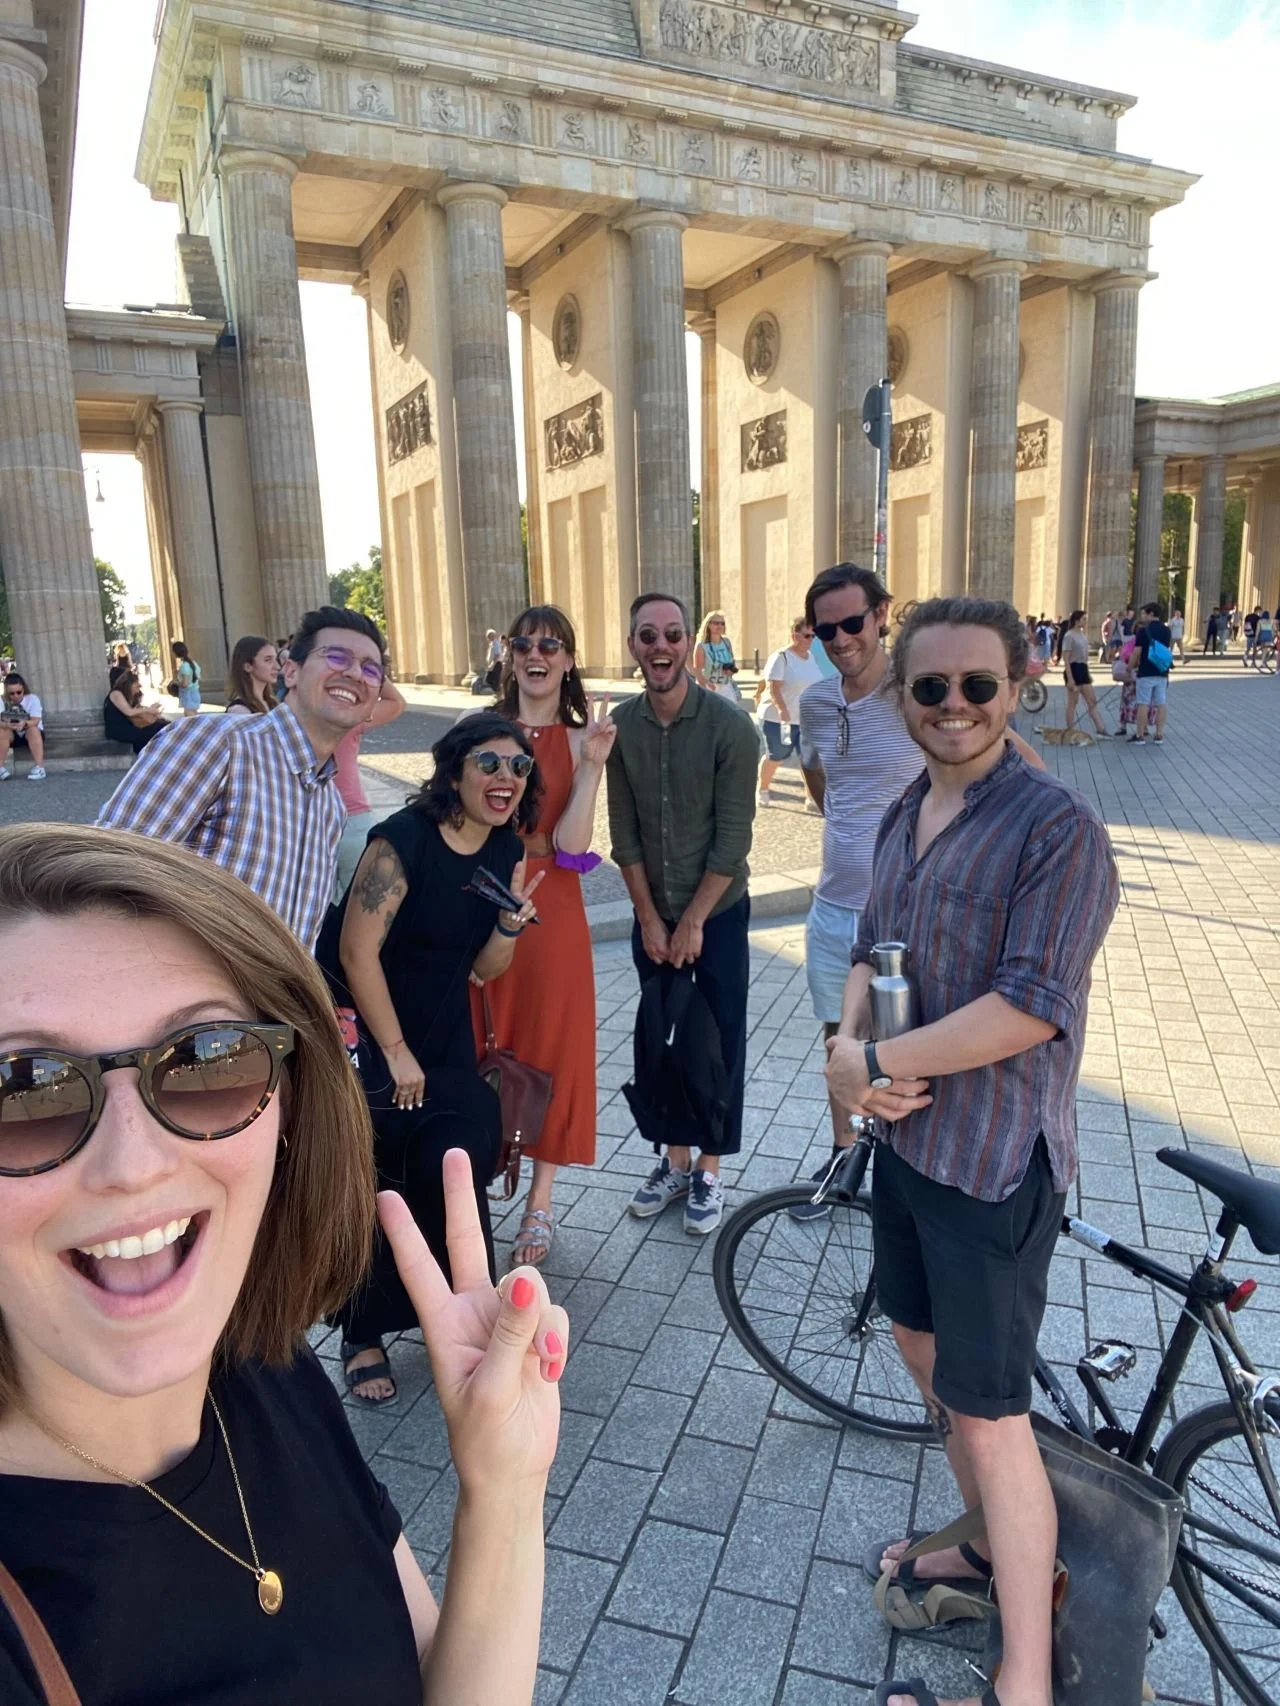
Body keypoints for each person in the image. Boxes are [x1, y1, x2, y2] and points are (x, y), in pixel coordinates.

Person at [0, 821, 564, 1706]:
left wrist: (504, 1490)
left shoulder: (268, 1371)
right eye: (22, 1088)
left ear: (290, 1109)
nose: (134, 1165)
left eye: (207, 1059)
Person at [824, 597, 1119, 1706]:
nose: (953, 707)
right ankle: (998, 1554)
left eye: (976, 686)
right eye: (930, 687)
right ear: (901, 694)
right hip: (908, 1146)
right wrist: (846, 1046)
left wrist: (877, 1053)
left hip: (992, 1161)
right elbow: (865, 941)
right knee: (919, 1348)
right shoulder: (910, 805)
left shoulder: (1053, 827)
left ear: (1019, 681)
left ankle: (1023, 1680)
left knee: (993, 1418)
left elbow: (1032, 1007)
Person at [330, 714, 545, 1404]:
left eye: (519, 767)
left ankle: (459, 1312)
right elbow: (355, 953)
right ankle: (361, 1331)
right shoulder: (402, 842)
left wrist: (510, 925)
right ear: (455, 770)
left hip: (443, 1028)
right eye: (490, 762)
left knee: (453, 1160)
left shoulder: (504, 848)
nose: (506, 778)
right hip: (368, 1026)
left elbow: (484, 969)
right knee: (376, 1170)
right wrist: (393, 1053)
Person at [98, 607, 385, 951]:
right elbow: (108, 883)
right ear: (291, 672)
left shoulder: (331, 807)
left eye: (371, 669)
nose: (355, 673)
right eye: (337, 657)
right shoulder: (215, 743)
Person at [608, 593, 759, 1235]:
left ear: (686, 644)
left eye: (672, 633)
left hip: (717, 913)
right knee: (661, 1042)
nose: (660, 646)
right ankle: (672, 1161)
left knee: (718, 1041)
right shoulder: (621, 727)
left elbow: (734, 836)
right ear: (634, 645)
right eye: (648, 635)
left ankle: (711, 1169)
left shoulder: (730, 728)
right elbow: (624, 834)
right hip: (654, 915)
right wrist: (648, 918)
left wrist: (694, 919)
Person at [486, 606, 615, 1270]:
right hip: (485, 891)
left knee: (553, 1043)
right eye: (525, 642)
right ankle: (479, 1166)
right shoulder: (479, 729)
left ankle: (540, 1198)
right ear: (509, 655)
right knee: (486, 1036)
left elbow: (571, 844)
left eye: (551, 644)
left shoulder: (575, 739)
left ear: (567, 661)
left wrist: (591, 764)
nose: (536, 653)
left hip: (553, 905)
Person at [797, 566, 923, 1167]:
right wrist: (848, 831)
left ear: (881, 614)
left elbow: (1003, 759)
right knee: (837, 1041)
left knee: (904, 1046)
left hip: (904, 915)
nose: (842, 639)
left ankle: (903, 1163)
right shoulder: (817, 700)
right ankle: (845, 1154)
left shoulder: (917, 690)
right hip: (831, 908)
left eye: (853, 622)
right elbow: (817, 770)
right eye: (827, 630)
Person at [331, 675, 408, 896]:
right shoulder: (347, 715)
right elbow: (396, 703)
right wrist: (371, 671)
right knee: (357, 901)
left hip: (341, 818)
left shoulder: (289, 713)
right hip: (351, 817)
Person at [757, 617, 822, 805]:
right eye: (807, 635)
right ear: (795, 635)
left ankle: (810, 795)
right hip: (778, 718)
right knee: (776, 755)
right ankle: (763, 789)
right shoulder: (781, 657)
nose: (811, 640)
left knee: (808, 758)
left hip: (804, 719)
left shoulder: (811, 658)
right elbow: (773, 687)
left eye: (813, 636)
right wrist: (782, 709)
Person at [1129, 600, 1173, 745]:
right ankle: (1159, 734)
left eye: (1143, 613)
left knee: (1143, 703)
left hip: (1146, 671)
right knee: (1161, 703)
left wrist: (1130, 667)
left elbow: (1137, 652)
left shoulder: (1143, 631)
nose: (1142, 616)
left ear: (1151, 614)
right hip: (1161, 670)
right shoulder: (1167, 630)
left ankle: (1140, 735)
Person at [1060, 609, 1109, 736]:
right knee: (1073, 702)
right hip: (1073, 668)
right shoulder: (1069, 636)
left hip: (1083, 669)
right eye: (1083, 619)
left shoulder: (1082, 635)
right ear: (1076, 621)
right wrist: (1070, 679)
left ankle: (1100, 729)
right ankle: (1070, 730)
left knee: (1092, 700)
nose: (1085, 622)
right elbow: (1066, 659)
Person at [103, 668, 167, 755]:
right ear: (129, 685)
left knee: (162, 725)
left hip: (128, 727)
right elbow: (129, 712)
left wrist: (151, 710)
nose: (138, 689)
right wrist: (149, 710)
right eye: (137, 686)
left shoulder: (126, 695)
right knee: (150, 735)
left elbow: (135, 712)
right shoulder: (116, 693)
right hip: (118, 730)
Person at [0, 673, 47, 781]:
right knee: (2, 731)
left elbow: (36, 720)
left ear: (23, 689)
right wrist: (7, 725)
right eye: (12, 693)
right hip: (11, 732)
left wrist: (25, 724)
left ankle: (40, 767)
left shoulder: (32, 699)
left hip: (29, 731)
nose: (16, 696)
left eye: (19, 692)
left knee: (33, 729)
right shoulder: (1, 701)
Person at [693, 610, 741, 702]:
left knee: (730, 713)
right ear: (709, 625)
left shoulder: (726, 642)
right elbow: (698, 671)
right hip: (709, 685)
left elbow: (732, 662)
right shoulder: (702, 646)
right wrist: (706, 686)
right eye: (716, 623)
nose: (719, 626)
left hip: (726, 685)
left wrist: (730, 670)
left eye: (722, 624)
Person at [224, 636, 279, 715]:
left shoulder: (272, 703)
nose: (277, 666)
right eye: (268, 660)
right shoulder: (240, 710)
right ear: (248, 666)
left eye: (275, 659)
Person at [170, 641, 202, 715]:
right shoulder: (194, 663)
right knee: (194, 715)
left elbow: (185, 684)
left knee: (190, 717)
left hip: (188, 695)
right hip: (195, 692)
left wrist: (175, 682)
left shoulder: (184, 666)